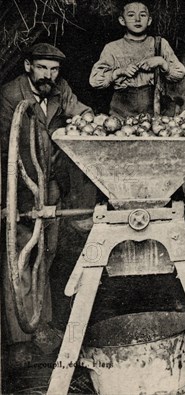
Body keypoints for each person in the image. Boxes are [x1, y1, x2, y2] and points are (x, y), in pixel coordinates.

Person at [0, 43, 93, 349]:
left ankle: (43, 323)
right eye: (41, 67)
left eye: (53, 69)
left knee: (46, 252)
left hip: (51, 180)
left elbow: (79, 110)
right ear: (28, 66)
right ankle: (21, 337)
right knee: (21, 254)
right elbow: (5, 145)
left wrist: (90, 119)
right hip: (21, 184)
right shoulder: (10, 95)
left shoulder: (59, 88)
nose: (48, 75)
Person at [89, 1, 185, 118]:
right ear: (122, 20)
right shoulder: (112, 48)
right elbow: (94, 81)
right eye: (131, 15)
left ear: (149, 20)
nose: (137, 19)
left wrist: (161, 62)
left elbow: (181, 73)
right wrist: (119, 72)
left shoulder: (159, 44)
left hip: (154, 107)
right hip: (122, 109)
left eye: (142, 15)